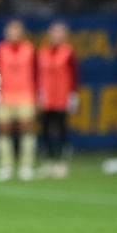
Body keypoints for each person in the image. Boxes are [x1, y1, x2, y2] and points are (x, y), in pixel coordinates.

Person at [0, 19, 37, 181]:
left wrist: (39, 93)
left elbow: (37, 72)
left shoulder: (29, 49)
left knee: (27, 130)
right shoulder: (0, 49)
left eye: (17, 30)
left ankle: (26, 166)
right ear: (6, 33)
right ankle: (6, 166)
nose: (14, 34)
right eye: (11, 30)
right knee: (3, 131)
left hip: (26, 95)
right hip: (4, 95)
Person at [36, 21, 79, 178]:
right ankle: (48, 161)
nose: (57, 36)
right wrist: (39, 94)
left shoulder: (68, 52)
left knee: (61, 129)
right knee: (45, 130)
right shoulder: (43, 51)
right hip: (46, 97)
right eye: (54, 32)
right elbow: (38, 74)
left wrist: (73, 96)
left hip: (62, 96)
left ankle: (62, 162)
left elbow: (74, 75)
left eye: (60, 32)